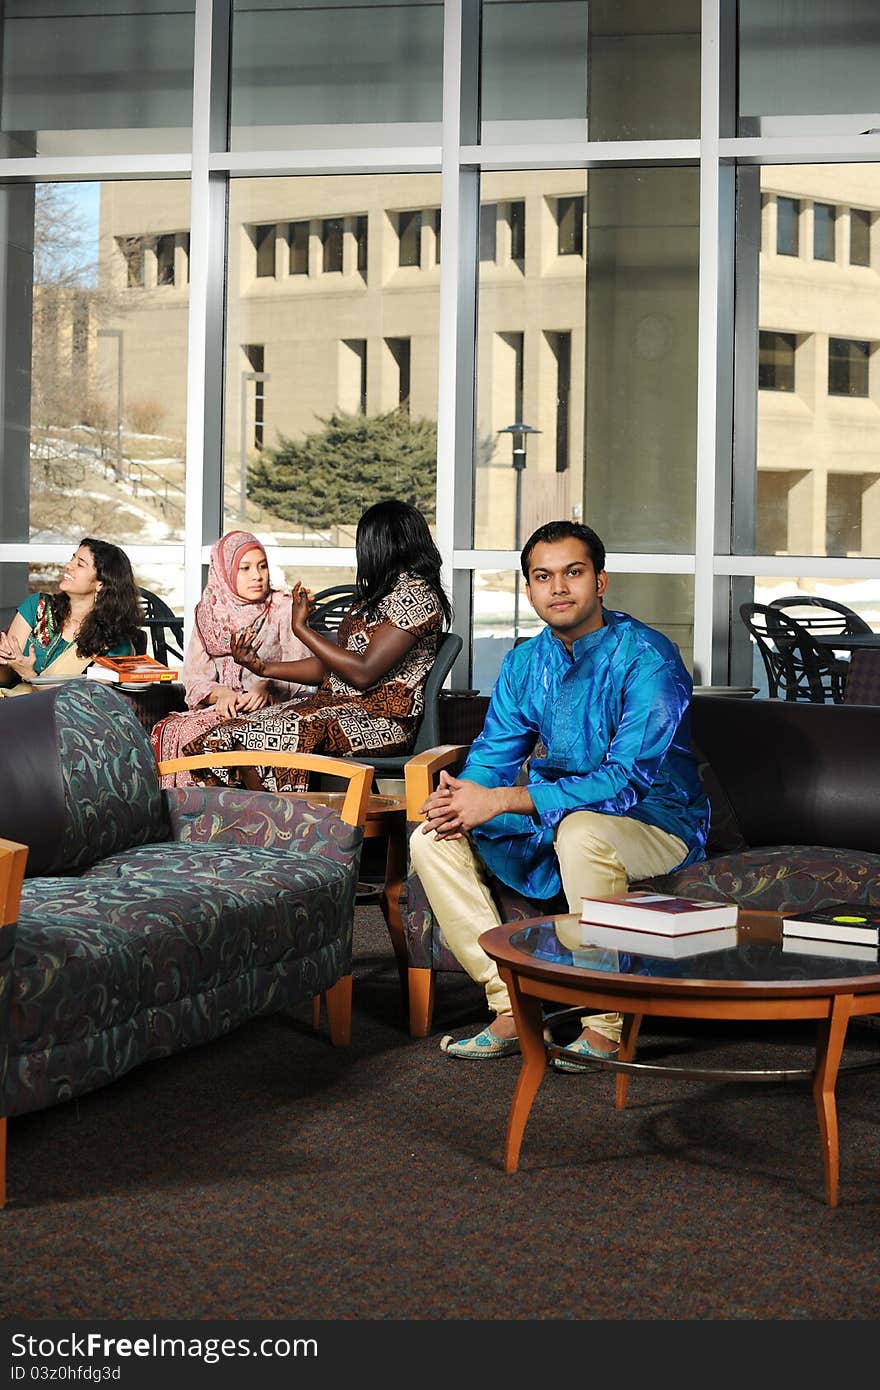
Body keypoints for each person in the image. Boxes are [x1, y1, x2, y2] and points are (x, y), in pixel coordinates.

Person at [410, 519, 710, 1067]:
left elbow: (626, 782)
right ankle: (510, 1005)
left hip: (655, 820)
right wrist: (462, 799)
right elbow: (495, 752)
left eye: (574, 572)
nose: (559, 588)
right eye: (542, 577)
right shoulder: (526, 660)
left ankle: (604, 1023)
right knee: (432, 838)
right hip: (554, 817)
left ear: (601, 581)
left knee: (581, 832)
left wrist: (499, 802)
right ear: (528, 589)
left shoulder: (649, 658)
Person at [182, 499, 452, 792]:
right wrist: (262, 666)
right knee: (226, 735)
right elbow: (331, 669)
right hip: (337, 705)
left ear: (385, 546)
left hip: (382, 719)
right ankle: (256, 822)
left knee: (264, 738)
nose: (362, 553)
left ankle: (284, 825)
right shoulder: (376, 596)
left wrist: (301, 629)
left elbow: (363, 672)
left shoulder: (418, 597)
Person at [150, 529, 313, 788]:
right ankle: (183, 817)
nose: (257, 576)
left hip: (269, 708)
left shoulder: (281, 607)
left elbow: (302, 667)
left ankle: (223, 812)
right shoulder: (208, 612)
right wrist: (221, 694)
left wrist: (266, 686)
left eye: (262, 566)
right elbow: (195, 678)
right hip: (222, 706)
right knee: (169, 729)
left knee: (198, 733)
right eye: (245, 568)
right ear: (225, 571)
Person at [0, 537, 141, 697]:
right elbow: (4, 678)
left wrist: (29, 675)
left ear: (101, 584)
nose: (68, 566)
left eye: (80, 564)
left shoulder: (113, 642)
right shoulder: (36, 606)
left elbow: (80, 702)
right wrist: (5, 664)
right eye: (72, 558)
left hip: (58, 717)